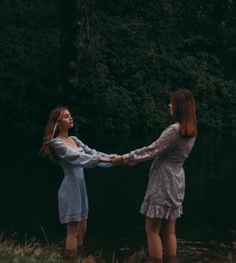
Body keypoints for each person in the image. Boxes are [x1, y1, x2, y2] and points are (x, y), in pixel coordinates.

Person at [112, 89, 197, 263]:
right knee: (170, 230)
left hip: (164, 180)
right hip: (177, 179)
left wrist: (125, 158)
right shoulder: (191, 130)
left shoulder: (174, 129)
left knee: (152, 229)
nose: (169, 105)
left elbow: (153, 150)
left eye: (172, 103)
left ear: (179, 107)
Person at [40, 106, 113, 258]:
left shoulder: (74, 140)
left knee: (82, 230)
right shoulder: (57, 143)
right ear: (58, 123)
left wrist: (117, 158)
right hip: (70, 189)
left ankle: (79, 257)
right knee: (72, 231)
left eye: (70, 115)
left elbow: (93, 153)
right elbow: (78, 158)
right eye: (66, 116)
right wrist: (100, 158)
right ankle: (71, 259)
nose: (70, 118)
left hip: (81, 189)